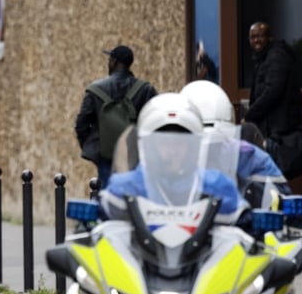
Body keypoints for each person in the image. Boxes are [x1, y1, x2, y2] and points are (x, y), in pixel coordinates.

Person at [100, 93, 247, 224]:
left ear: (193, 147)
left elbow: (245, 219)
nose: (172, 151)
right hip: (140, 254)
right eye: (164, 143)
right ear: (150, 147)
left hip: (203, 255)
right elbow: (100, 218)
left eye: (180, 143)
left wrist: (252, 220)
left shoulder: (216, 185)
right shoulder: (127, 186)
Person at [74, 45, 158, 187]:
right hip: (135, 156)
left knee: (108, 196)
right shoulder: (145, 89)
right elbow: (155, 121)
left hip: (106, 157)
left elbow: (81, 124)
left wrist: (95, 149)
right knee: (135, 195)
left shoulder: (95, 89)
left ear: (113, 62)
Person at [243, 22, 302, 139]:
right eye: (252, 37)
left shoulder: (277, 56)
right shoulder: (262, 57)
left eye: (260, 36)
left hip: (282, 130)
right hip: (273, 127)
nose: (256, 40)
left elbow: (272, 91)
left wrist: (249, 115)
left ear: (269, 38)